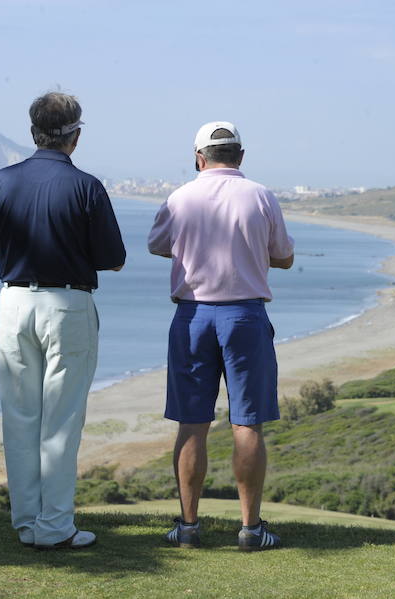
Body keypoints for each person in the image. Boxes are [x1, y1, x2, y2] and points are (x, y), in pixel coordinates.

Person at [0, 92, 125, 550]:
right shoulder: (87, 187)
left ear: (34, 132)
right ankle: (55, 526)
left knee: (20, 417)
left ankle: (28, 523)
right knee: (61, 419)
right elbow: (113, 258)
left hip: (14, 302)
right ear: (74, 136)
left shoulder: (2, 181)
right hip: (68, 305)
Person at [147, 121, 294, 551]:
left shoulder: (180, 197)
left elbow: (157, 245)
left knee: (192, 423)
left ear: (199, 158)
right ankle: (250, 529)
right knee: (248, 422)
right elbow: (283, 257)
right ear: (241, 156)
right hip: (245, 316)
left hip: (192, 316)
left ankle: (189, 526)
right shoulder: (261, 196)